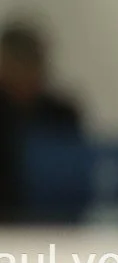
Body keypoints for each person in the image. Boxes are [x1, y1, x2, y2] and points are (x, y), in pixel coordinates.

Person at [0, 15, 87, 224]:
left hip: (57, 222)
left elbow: (77, 170)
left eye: (30, 64)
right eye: (17, 64)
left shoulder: (62, 113)